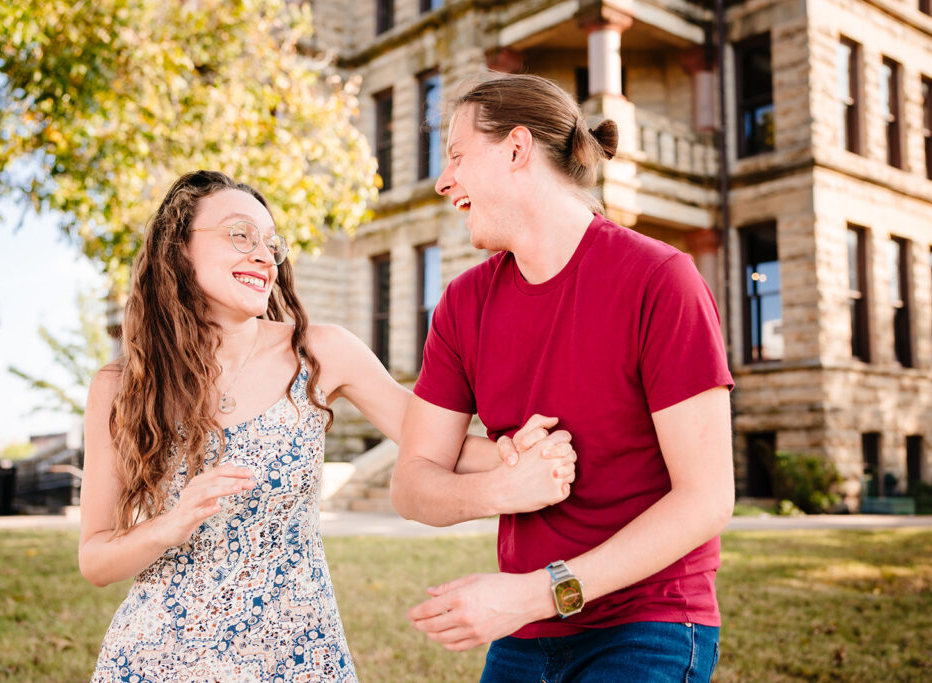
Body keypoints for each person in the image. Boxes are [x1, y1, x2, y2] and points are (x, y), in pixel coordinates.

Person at [78, 170, 577, 682]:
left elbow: (429, 440)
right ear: (178, 248)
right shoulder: (121, 387)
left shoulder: (320, 352)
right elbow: (96, 559)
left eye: (271, 244)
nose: (262, 255)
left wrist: (520, 454)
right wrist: (171, 524)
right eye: (239, 235)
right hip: (159, 659)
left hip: (297, 655)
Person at [389, 74, 735, 682]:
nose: (444, 182)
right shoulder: (462, 306)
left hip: (649, 622)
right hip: (525, 636)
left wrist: (532, 593)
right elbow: (412, 483)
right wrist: (501, 487)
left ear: (516, 149)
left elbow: (706, 499)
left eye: (456, 155)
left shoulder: (661, 280)